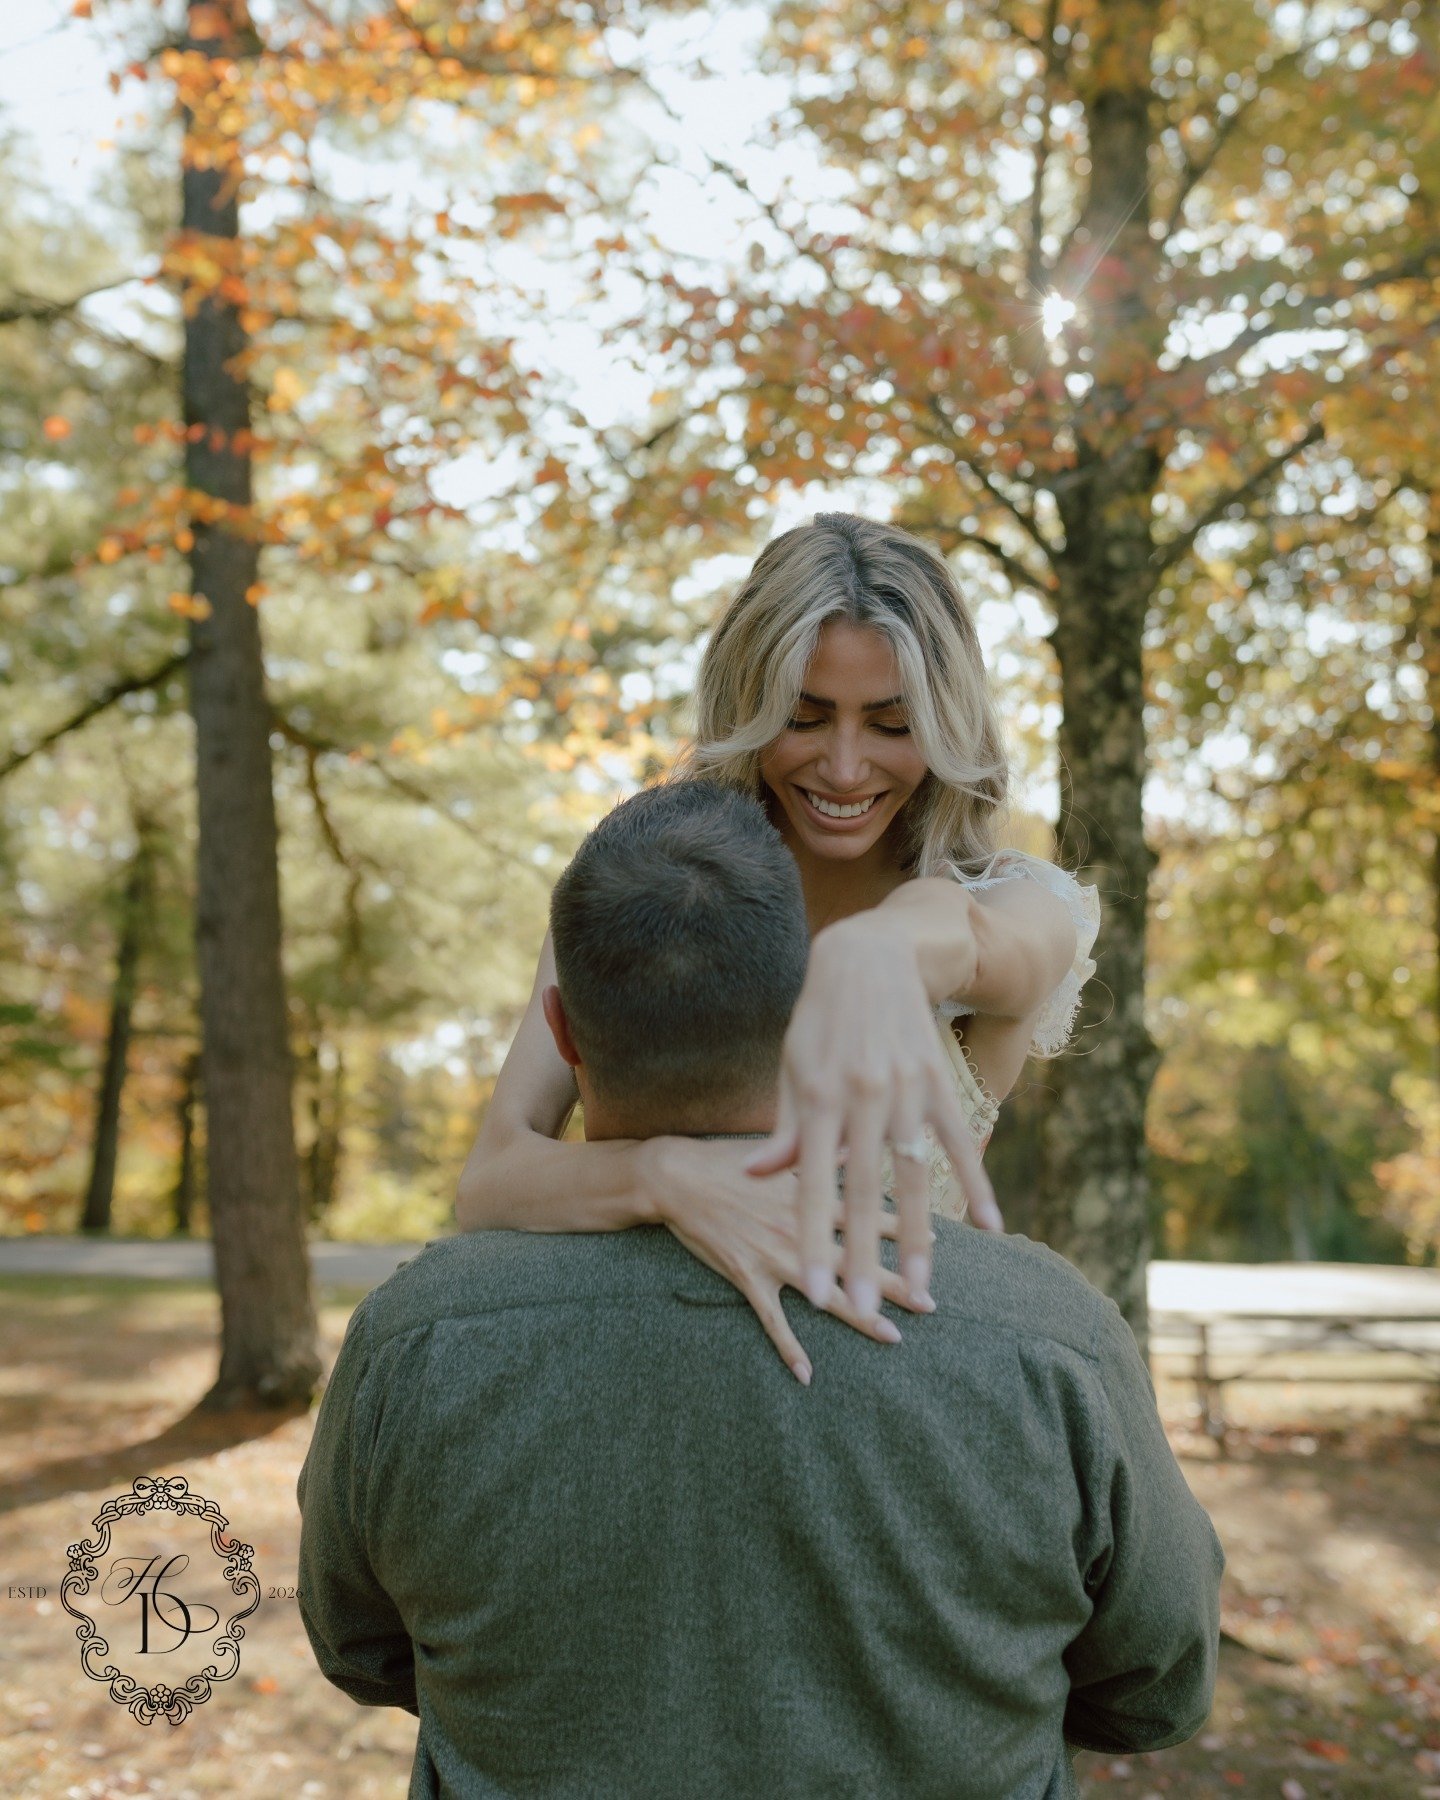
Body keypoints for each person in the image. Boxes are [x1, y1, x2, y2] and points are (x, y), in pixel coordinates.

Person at [297, 781, 1223, 1800]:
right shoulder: (1051, 1343)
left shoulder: (414, 1342)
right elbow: (1158, 1688)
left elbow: (360, 1648)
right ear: (811, 1016)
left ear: (562, 1030)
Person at [456, 512, 1101, 1381]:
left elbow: (1000, 946)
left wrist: (887, 943)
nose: (843, 768)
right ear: (747, 707)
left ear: (946, 723)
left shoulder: (1009, 902)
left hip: (891, 1401)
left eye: (890, 725)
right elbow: (493, 1178)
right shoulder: (653, 883)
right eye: (803, 717)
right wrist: (661, 1177)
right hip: (636, 1380)